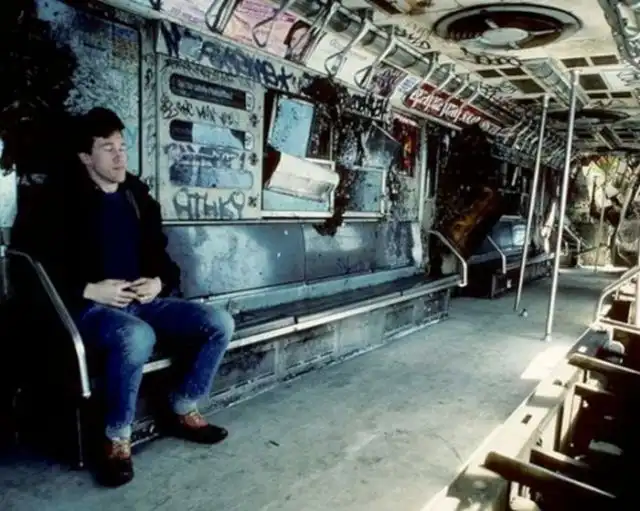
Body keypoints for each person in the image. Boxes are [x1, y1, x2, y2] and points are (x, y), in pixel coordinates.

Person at [10, 107, 235, 487]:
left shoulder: (136, 197)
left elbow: (163, 260)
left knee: (219, 323)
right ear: (86, 156)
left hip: (142, 300)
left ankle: (183, 406)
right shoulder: (58, 199)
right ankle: (116, 438)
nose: (119, 157)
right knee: (136, 335)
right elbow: (30, 264)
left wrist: (158, 283)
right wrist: (87, 289)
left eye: (122, 147)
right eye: (107, 148)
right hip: (88, 308)